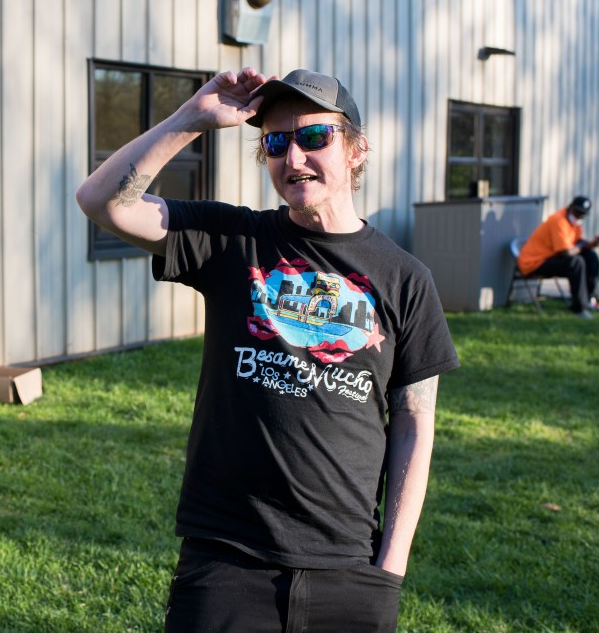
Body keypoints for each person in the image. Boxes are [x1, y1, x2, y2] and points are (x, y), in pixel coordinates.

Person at [76, 68, 459, 631]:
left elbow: (413, 425)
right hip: (227, 559)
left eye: (315, 137)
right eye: (276, 142)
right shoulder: (232, 241)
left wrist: (389, 569)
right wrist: (193, 119)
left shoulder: (406, 279)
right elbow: (101, 201)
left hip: (348, 568)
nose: (294, 157)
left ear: (356, 150)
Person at [517, 196, 599, 318]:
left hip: (550, 258)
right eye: (578, 212)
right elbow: (565, 252)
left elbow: (577, 243)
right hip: (534, 263)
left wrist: (589, 245)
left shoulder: (575, 222)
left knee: (590, 256)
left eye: (583, 214)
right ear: (571, 207)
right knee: (576, 262)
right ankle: (579, 308)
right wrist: (582, 245)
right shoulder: (559, 220)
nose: (580, 215)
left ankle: (591, 300)